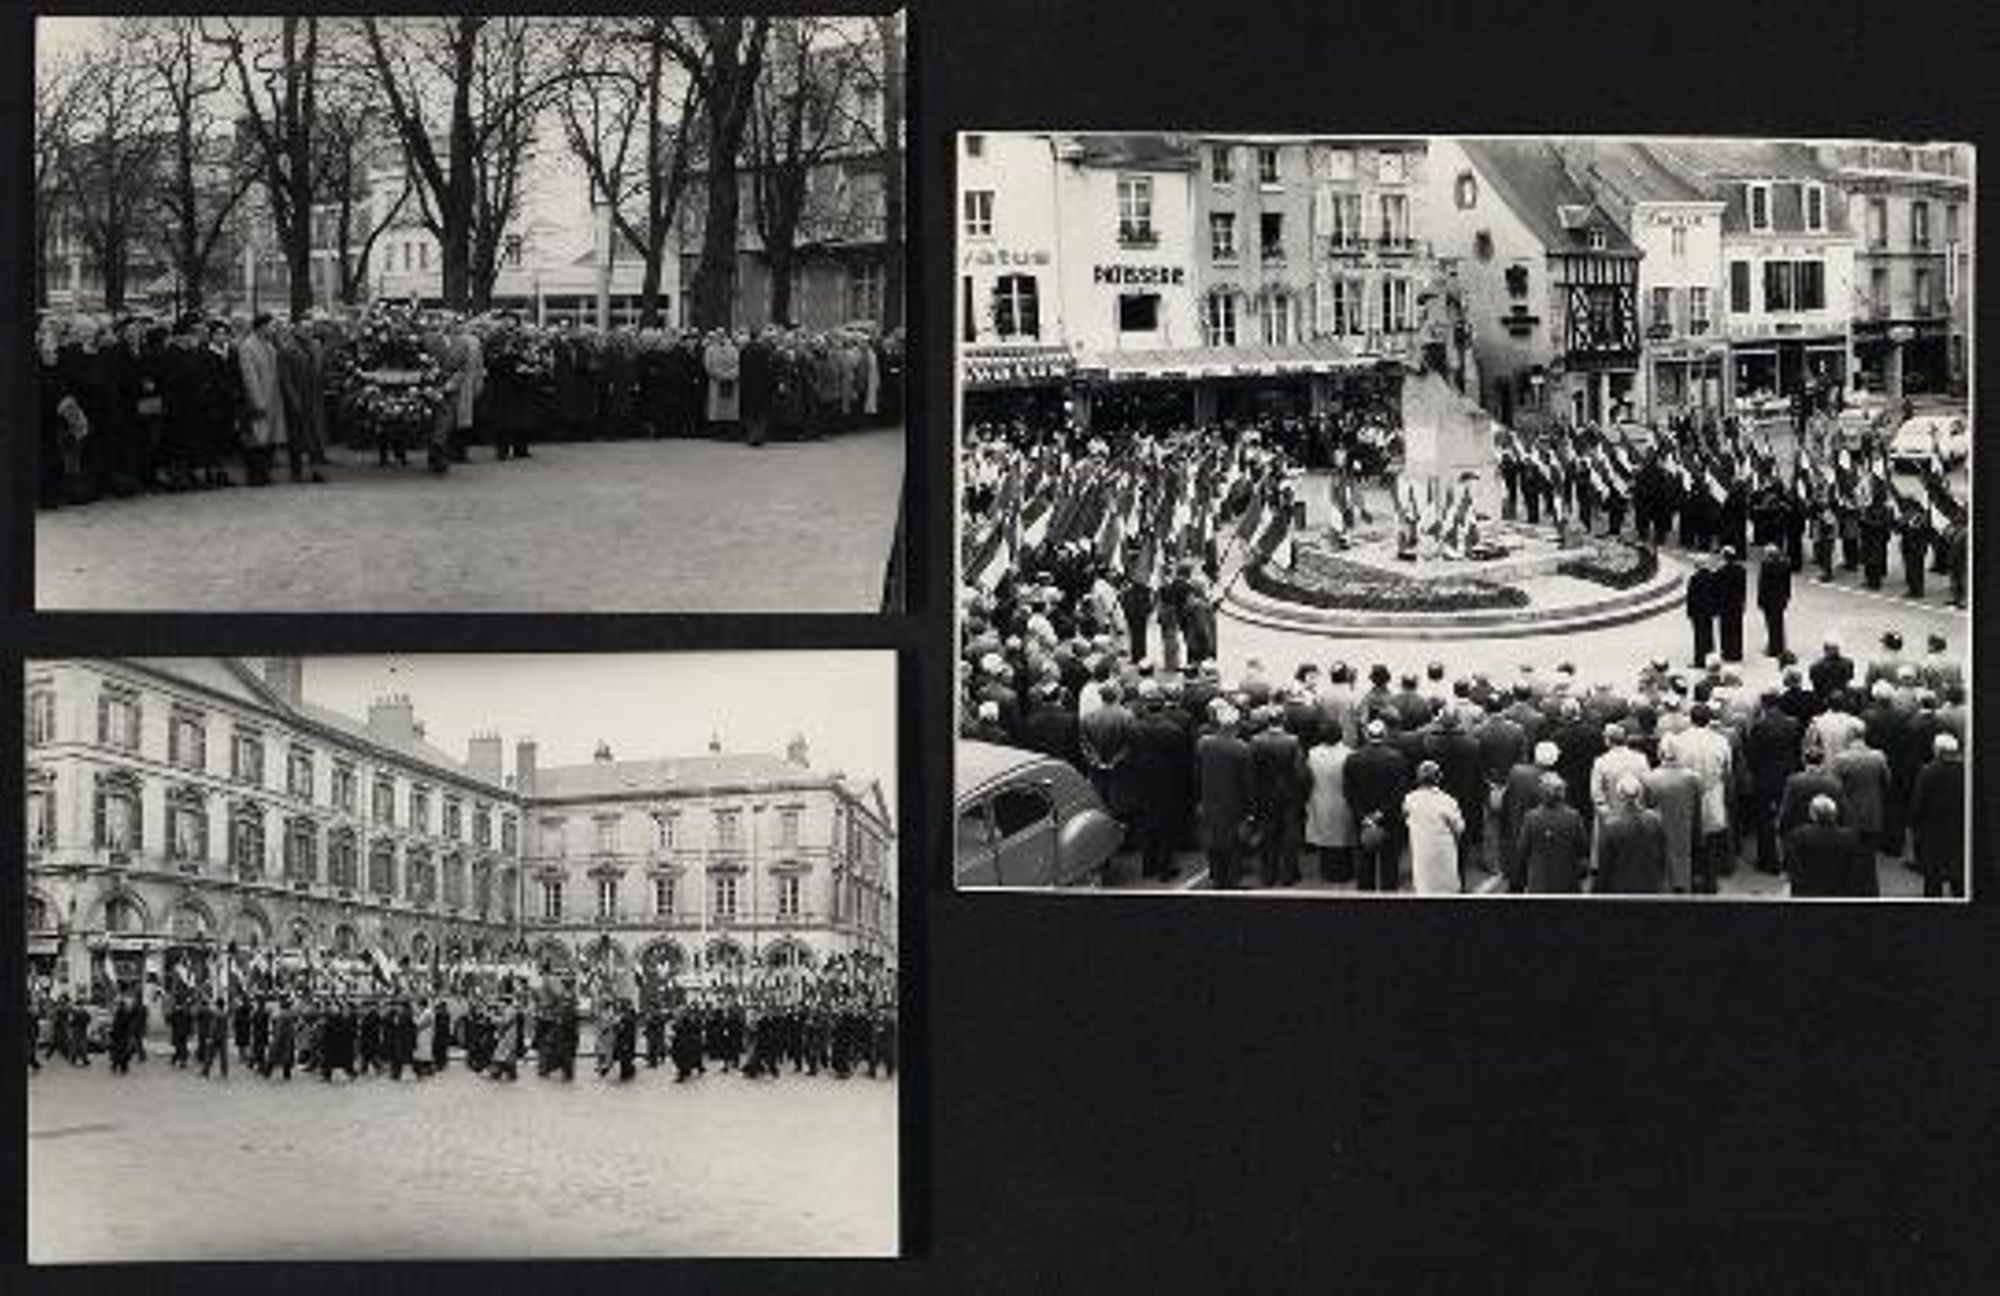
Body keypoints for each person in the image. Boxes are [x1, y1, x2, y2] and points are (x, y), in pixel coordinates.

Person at [1344, 720, 1411, 893]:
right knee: (1389, 862)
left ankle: (1366, 899)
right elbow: (1400, 792)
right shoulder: (1397, 758)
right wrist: (1381, 813)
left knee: (1364, 863)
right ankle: (1388, 900)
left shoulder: (1353, 758)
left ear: (1367, 734)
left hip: (1363, 820)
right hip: (1389, 819)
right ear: (1385, 734)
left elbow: (1349, 792)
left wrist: (1364, 816)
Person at [1195, 704, 1254, 890]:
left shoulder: (1204, 743)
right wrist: (1251, 810)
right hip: (1234, 802)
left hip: (1209, 799)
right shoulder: (1242, 748)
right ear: (1235, 725)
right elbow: (1247, 783)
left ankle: (1217, 876)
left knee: (1213, 841)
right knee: (1233, 844)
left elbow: (1197, 773)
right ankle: (1231, 881)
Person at [1248, 706, 1306, 886]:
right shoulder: (1292, 741)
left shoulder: (1256, 741)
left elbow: (1251, 772)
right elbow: (1300, 773)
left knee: (1268, 836)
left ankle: (1268, 875)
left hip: (1264, 795)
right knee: (1289, 838)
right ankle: (1288, 875)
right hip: (1288, 795)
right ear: (1283, 720)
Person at [1785, 796, 1877, 898]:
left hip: (1807, 897)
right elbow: (1855, 873)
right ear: (1835, 814)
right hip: (1839, 898)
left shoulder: (1798, 836)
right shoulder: (1850, 838)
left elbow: (1794, 870)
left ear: (1812, 815)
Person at [1910, 733, 1965, 898]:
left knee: (1933, 882)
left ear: (1938, 751)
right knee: (1959, 879)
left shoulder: (1928, 772)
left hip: (1933, 833)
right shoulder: (1965, 772)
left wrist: (1915, 827)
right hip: (1959, 830)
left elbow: (1918, 805)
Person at [235, 314, 287, 486]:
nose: (274, 329)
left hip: (272, 397)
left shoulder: (269, 345)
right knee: (257, 438)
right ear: (262, 326)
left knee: (269, 438)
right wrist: (258, 401)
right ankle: (255, 475)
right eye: (271, 326)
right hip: (260, 398)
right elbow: (250, 377)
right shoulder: (248, 346)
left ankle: (264, 473)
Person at [1595, 775, 1667, 894]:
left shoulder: (1611, 825)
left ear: (1620, 795)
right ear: (1639, 793)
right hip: (1651, 889)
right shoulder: (1655, 821)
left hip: (1621, 891)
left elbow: (1605, 866)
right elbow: (1662, 857)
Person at [1517, 773, 1588, 894]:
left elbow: (1523, 850)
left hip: (1539, 885)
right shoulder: (1574, 817)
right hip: (1567, 885)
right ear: (1562, 793)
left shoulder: (1531, 817)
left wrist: (1523, 879)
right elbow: (1582, 848)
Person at [1303, 722, 1356, 884]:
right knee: (1344, 838)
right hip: (1343, 799)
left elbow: (1306, 778)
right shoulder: (1349, 754)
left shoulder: (1312, 754)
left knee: (1325, 837)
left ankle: (1327, 871)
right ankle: (1345, 872)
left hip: (1320, 797)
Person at [1402, 760, 1465, 895]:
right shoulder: (1448, 800)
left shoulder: (1409, 799)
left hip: (1421, 851)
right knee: (1446, 889)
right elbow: (1459, 828)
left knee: (1424, 887)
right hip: (1443, 852)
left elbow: (1406, 817)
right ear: (1439, 778)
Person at [1755, 544, 1791, 658]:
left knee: (1770, 624)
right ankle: (1780, 645)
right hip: (1780, 598)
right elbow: (1787, 583)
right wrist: (1787, 596)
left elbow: (1762, 585)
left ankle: (1773, 647)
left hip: (1769, 600)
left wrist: (1759, 600)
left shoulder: (1766, 565)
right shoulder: (1784, 564)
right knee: (1779, 623)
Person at [1714, 546, 1747, 663]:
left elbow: (1717, 590)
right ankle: (1737, 652)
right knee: (1737, 628)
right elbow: (1743, 589)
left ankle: (1727, 652)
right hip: (1737, 604)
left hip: (1725, 605)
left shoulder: (1720, 571)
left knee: (1726, 629)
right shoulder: (1741, 570)